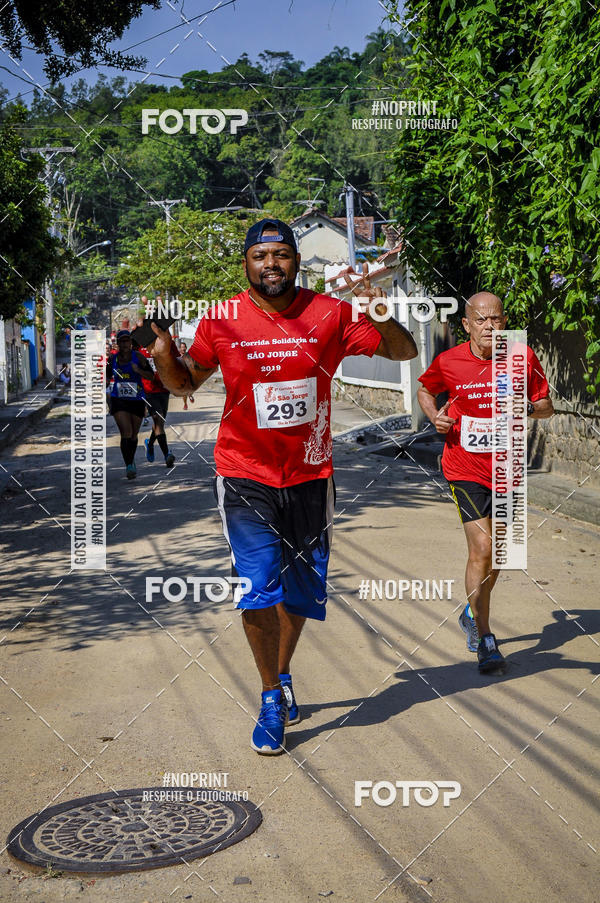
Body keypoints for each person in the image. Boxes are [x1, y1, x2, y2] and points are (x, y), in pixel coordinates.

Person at [150, 217, 418, 755]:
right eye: (259, 255)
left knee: (298, 592)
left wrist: (380, 308)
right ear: (246, 263)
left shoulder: (330, 313)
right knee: (258, 586)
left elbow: (403, 352)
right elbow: (185, 382)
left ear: (295, 260)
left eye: (281, 254)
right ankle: (271, 697)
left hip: (311, 474)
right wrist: (161, 356)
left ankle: (282, 670)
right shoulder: (221, 319)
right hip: (244, 473)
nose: (270, 264)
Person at [417, 292, 553, 674]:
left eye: (496, 319)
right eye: (481, 320)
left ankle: (470, 612)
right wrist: (435, 418)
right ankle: (486, 637)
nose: (491, 327)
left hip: (506, 467)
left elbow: (547, 406)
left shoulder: (522, 357)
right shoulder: (449, 361)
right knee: (483, 546)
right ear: (466, 324)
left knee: (502, 554)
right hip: (463, 467)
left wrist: (525, 406)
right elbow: (425, 389)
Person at [106, 329, 154, 479]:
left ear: (131, 343)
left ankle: (130, 461)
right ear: (118, 343)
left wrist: (138, 370)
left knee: (134, 435)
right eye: (122, 341)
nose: (125, 344)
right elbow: (106, 377)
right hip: (119, 400)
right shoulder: (112, 359)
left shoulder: (138, 357)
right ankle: (129, 465)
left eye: (128, 341)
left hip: (137, 400)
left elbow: (151, 376)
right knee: (126, 433)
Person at [139, 343, 176, 468]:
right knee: (159, 421)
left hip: (164, 389)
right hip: (149, 391)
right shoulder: (139, 346)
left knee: (159, 423)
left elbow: (175, 359)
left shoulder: (164, 342)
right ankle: (167, 455)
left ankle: (149, 444)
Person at [178, 342, 195, 410]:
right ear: (179, 349)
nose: (183, 349)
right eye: (182, 347)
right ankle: (185, 404)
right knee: (184, 391)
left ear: (186, 348)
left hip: (189, 375)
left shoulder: (189, 356)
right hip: (181, 376)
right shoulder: (177, 356)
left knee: (190, 387)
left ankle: (190, 394)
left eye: (184, 347)